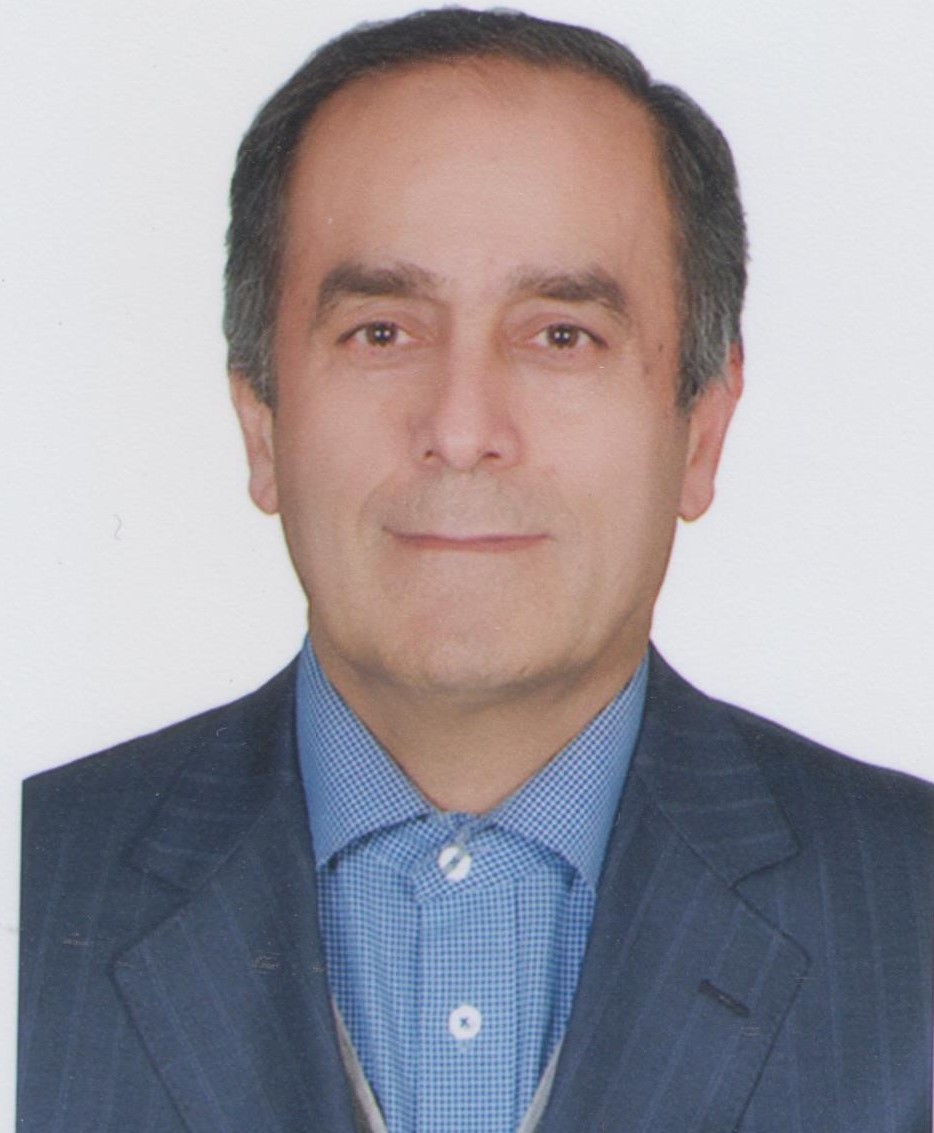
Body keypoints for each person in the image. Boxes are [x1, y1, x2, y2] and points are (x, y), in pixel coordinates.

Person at [18, 8, 932, 1132]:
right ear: (261, 422)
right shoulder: (36, 877)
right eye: (381, 332)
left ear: (700, 429)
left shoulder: (913, 914)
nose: (460, 429)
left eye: (561, 335)